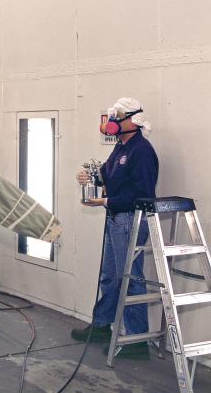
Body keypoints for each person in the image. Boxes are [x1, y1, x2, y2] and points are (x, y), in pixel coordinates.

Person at [73, 97, 158, 360]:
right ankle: (102, 325)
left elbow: (144, 194)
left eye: (117, 116)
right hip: (115, 219)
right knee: (110, 275)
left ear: (133, 120)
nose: (112, 122)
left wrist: (107, 200)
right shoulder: (121, 148)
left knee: (129, 278)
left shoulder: (141, 151)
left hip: (129, 220)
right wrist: (90, 177)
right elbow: (110, 175)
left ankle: (136, 340)